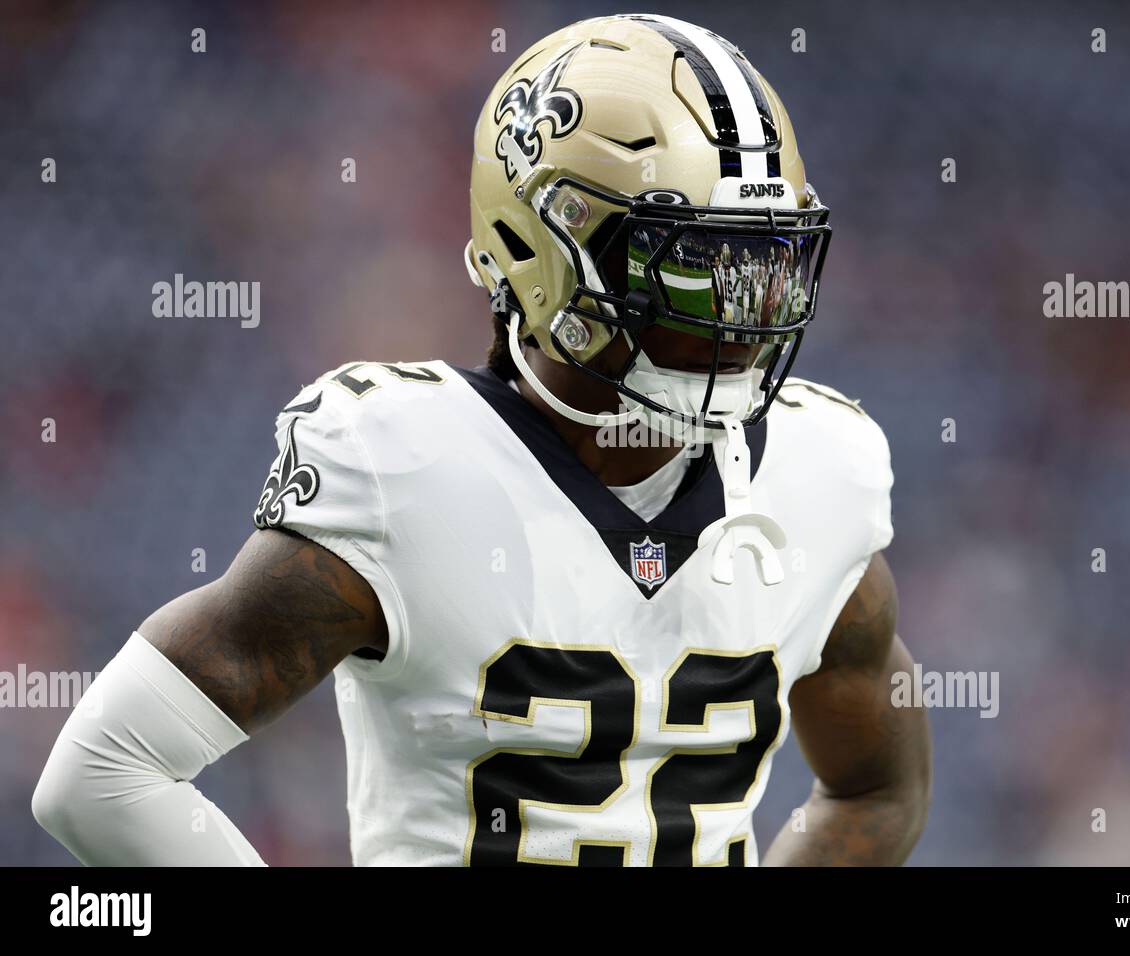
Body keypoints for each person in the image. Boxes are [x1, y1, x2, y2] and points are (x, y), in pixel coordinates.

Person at [33, 13, 930, 867]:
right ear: (540, 245)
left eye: (761, 270)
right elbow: (105, 772)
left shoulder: (820, 474)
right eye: (691, 266)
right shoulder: (408, 467)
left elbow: (875, 788)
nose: (740, 322)